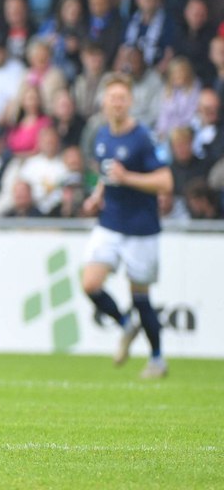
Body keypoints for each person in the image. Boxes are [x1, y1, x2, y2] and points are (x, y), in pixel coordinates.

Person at [81, 74, 174, 380]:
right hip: (110, 223)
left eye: (122, 98)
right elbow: (108, 176)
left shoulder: (143, 138)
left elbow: (165, 182)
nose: (117, 103)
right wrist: (97, 197)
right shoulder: (102, 135)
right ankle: (124, 324)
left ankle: (157, 359)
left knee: (141, 298)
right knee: (90, 283)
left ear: (130, 101)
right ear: (104, 102)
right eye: (112, 98)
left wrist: (128, 177)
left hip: (141, 227)